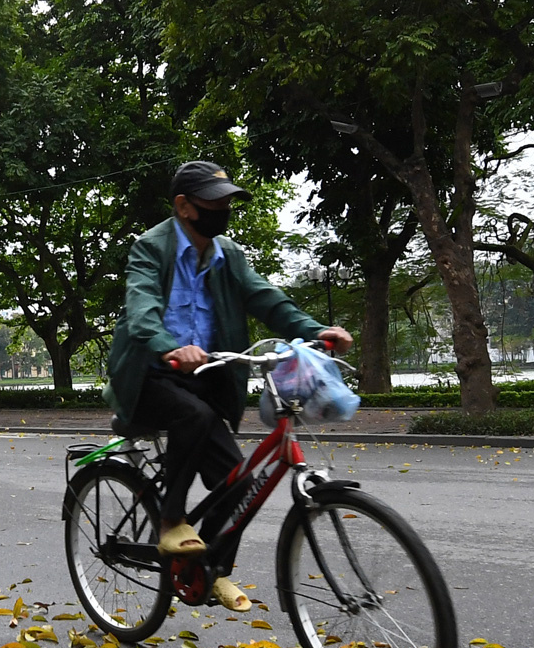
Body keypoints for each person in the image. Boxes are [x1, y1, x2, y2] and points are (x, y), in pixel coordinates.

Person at [104, 161, 352, 612]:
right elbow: (141, 310)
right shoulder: (150, 248)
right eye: (213, 202)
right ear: (184, 207)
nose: (223, 210)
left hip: (205, 376)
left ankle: (210, 568)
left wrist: (316, 330)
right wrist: (168, 347)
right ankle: (172, 520)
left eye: (226, 202)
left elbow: (265, 298)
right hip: (151, 374)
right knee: (193, 416)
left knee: (236, 483)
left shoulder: (227, 254)